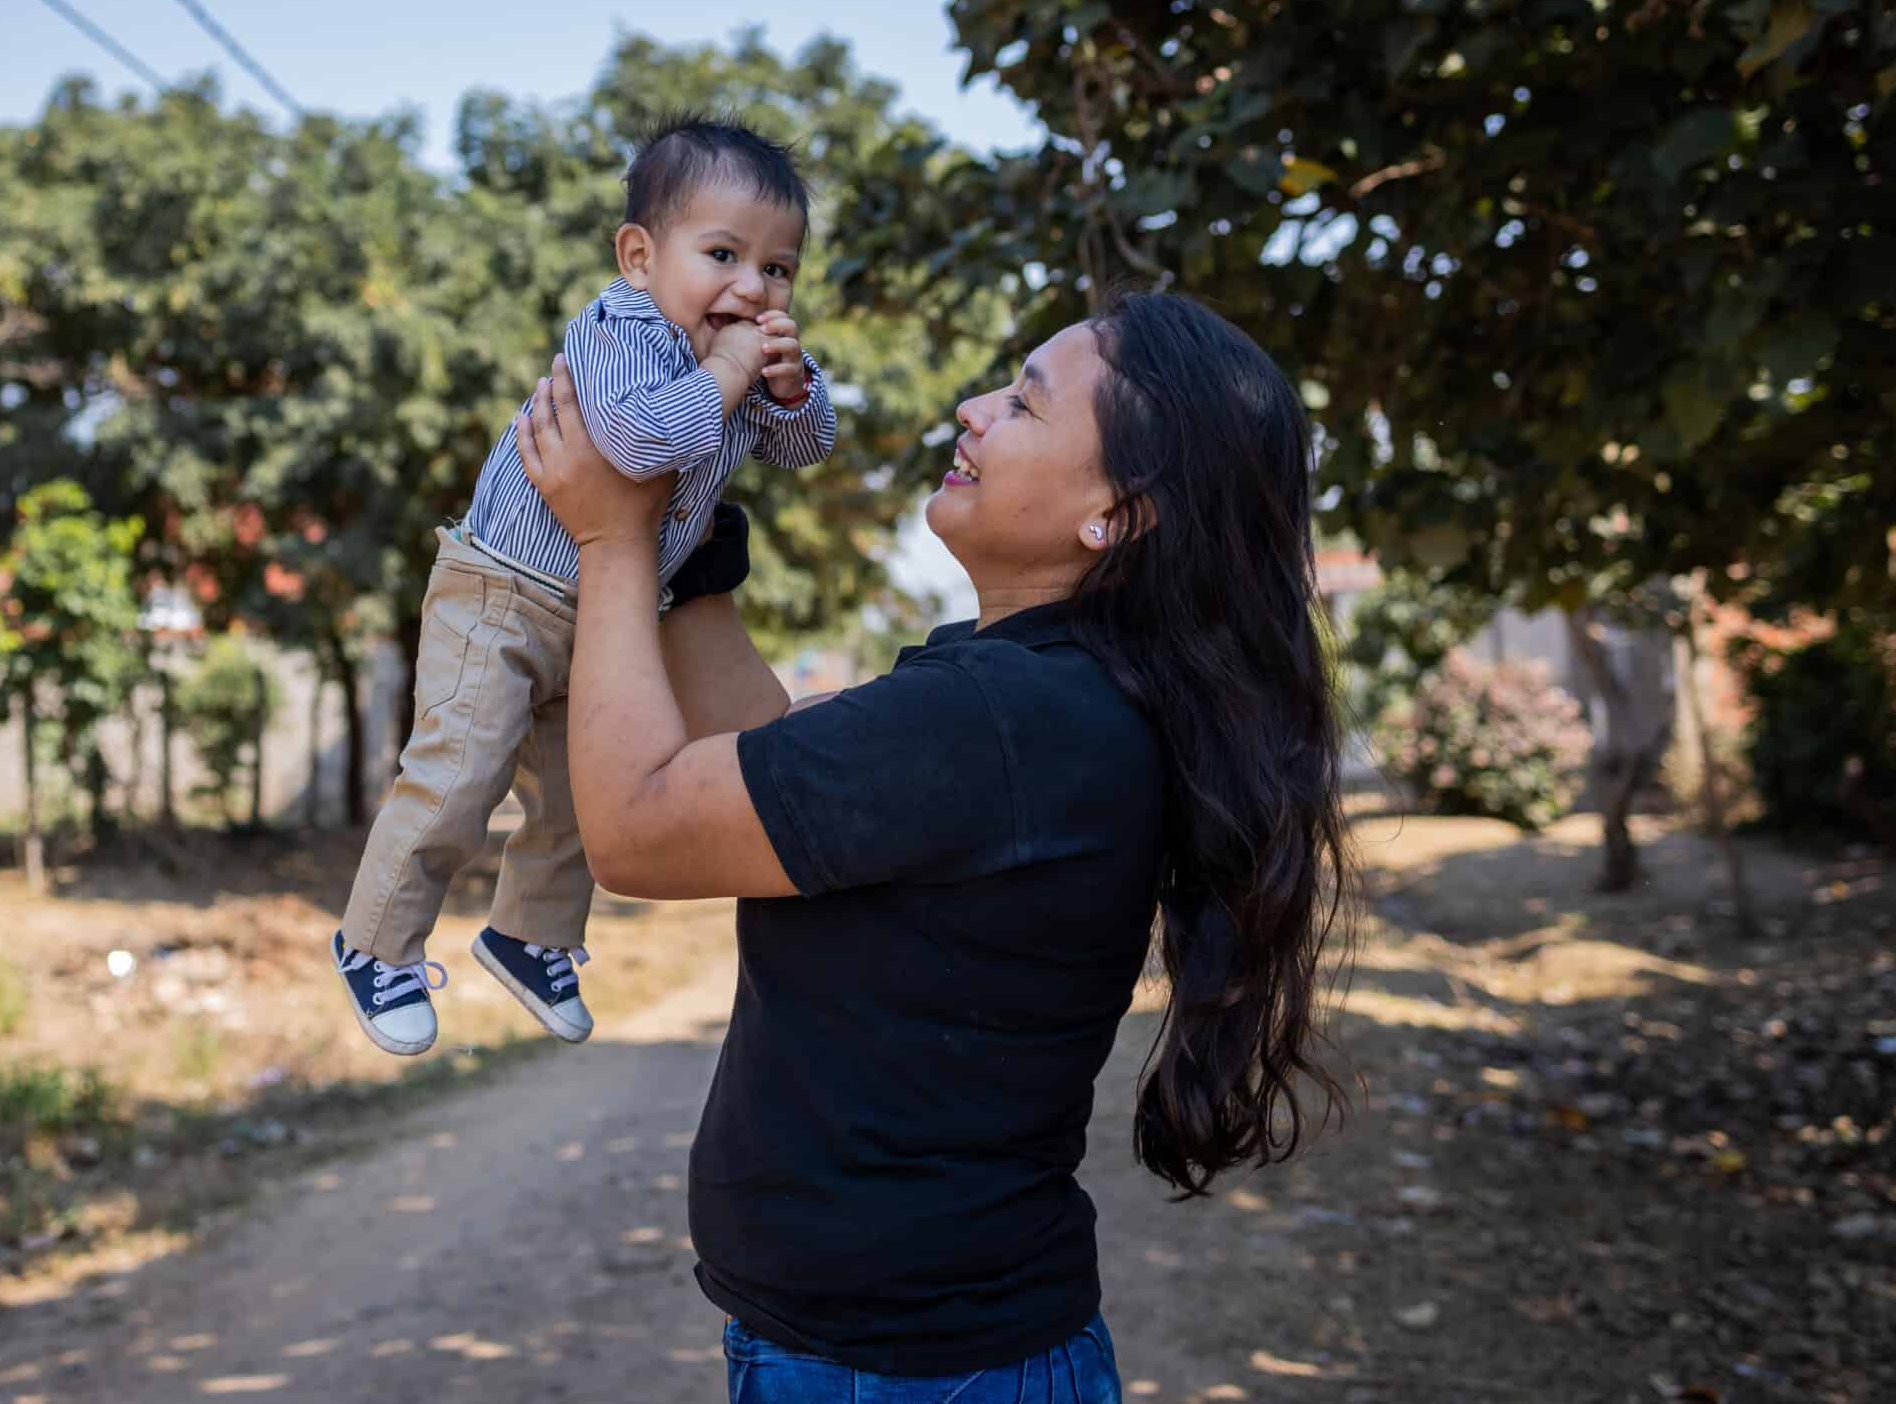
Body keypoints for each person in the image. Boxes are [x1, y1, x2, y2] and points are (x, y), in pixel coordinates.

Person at [514, 292, 1354, 1398]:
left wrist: (608, 538)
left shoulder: (1011, 718)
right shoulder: (1040, 695)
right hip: (914, 1357)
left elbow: (639, 828)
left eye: (1023, 402)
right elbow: (767, 770)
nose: (971, 410)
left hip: (904, 1374)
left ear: (1116, 513)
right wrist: (687, 548)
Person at [332, 115, 839, 1056]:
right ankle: (375, 942)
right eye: (722, 253)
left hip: (602, 613)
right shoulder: (622, 329)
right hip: (501, 590)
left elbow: (805, 449)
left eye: (778, 269)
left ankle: (531, 935)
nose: (751, 286)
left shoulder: (734, 361)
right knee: (461, 769)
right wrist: (731, 369)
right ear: (640, 256)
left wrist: (790, 389)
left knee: (578, 796)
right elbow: (639, 444)